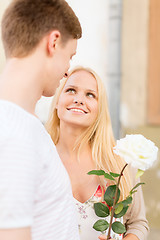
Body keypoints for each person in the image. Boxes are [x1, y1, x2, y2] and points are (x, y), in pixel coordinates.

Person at [0, 0, 82, 240]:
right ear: (53, 42)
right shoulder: (12, 131)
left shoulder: (26, 124)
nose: (68, 69)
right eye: (70, 56)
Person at [46, 66, 149, 240]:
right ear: (57, 101)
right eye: (71, 90)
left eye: (90, 95)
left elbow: (138, 224)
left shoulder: (119, 162)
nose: (79, 99)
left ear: (99, 109)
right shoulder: (40, 159)